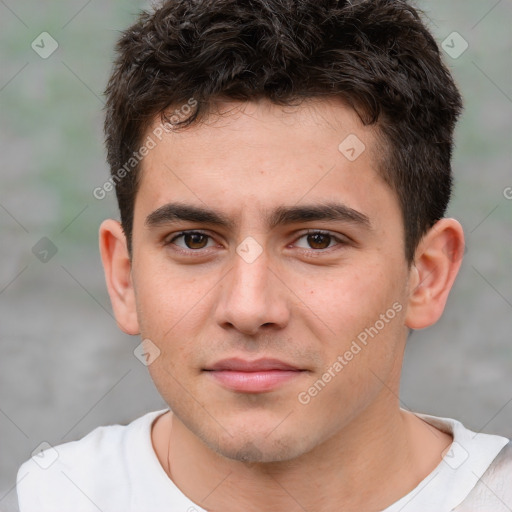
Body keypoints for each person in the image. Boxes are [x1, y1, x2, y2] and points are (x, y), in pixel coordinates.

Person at [16, 0, 512, 510]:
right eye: (194, 240)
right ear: (124, 277)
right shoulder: (56, 495)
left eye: (317, 240)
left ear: (426, 276)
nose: (249, 309)